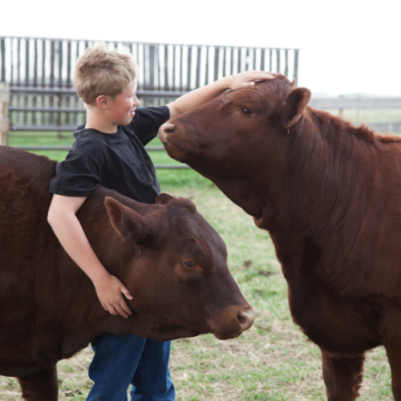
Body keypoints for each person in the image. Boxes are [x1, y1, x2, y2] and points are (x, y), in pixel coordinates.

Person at [47, 43, 273, 401]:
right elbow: (59, 214)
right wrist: (100, 279)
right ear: (103, 101)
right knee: (112, 382)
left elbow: (180, 106)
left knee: (156, 382)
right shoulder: (87, 152)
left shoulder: (128, 129)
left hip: (155, 283)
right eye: (130, 96)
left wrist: (231, 82)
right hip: (123, 286)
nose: (136, 102)